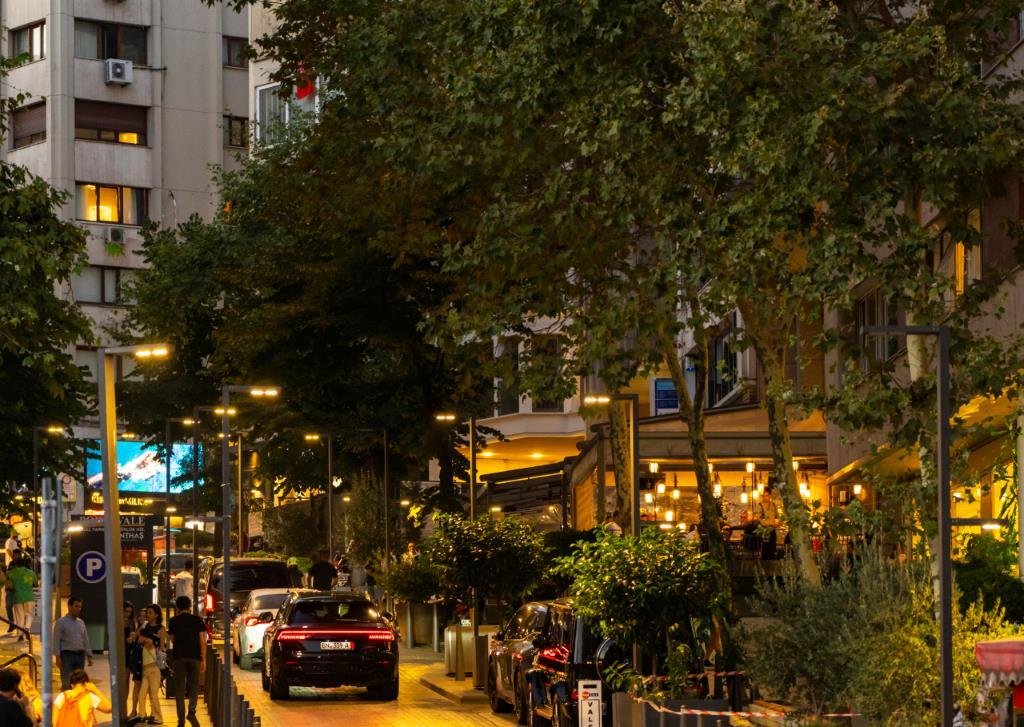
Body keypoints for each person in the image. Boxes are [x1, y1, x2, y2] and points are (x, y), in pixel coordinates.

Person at [167, 595, 206, 727]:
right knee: (194, 687)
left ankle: (181, 721)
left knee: (179, 689)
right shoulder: (198, 620)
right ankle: (191, 712)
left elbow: (172, 639)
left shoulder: (173, 621)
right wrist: (203, 659)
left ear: (177, 607)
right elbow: (203, 640)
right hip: (195, 657)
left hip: (179, 658)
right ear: (190, 606)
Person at [128, 604, 165, 725]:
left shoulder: (161, 628)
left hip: (154, 666)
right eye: (146, 613)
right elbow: (136, 637)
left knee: (153, 695)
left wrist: (148, 640)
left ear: (156, 615)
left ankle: (157, 717)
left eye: (150, 613)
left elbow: (160, 646)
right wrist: (137, 636)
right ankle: (142, 715)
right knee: (141, 695)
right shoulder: (144, 626)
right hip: (144, 667)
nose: (147, 615)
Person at [54, 596, 94, 690]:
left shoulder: (81, 623)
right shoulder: (61, 622)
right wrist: (57, 657)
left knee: (79, 683)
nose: (78, 609)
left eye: (80, 607)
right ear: (69, 606)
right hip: (67, 656)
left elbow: (85, 639)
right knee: (67, 682)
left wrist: (89, 655)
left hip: (80, 655)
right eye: (76, 606)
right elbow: (56, 640)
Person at [6, 550, 36, 642]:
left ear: (15, 564)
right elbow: (35, 584)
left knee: (20, 617)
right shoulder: (31, 573)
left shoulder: (10, 573)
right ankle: (27, 628)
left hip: (17, 597)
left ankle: (20, 635)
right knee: (29, 614)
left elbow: (9, 586)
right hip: (29, 597)